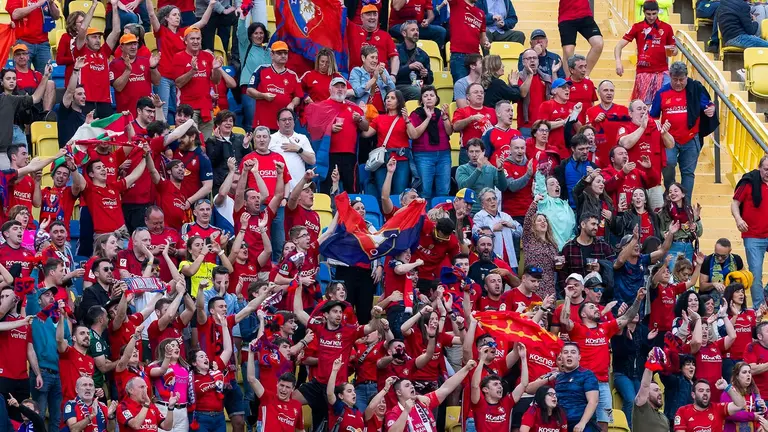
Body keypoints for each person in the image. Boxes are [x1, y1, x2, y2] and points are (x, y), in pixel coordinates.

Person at [560, 287, 645, 431]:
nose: (596, 309)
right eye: (591, 307)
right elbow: (564, 319)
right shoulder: (578, 329)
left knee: (604, 424)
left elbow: (626, 318)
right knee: (580, 422)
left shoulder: (605, 328)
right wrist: (567, 297)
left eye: (596, 307)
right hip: (583, 383)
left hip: (603, 384)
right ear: (583, 314)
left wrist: (638, 299)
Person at [649, 61, 717, 195]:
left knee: (688, 173)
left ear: (687, 77)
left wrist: (711, 109)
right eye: (675, 80)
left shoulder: (695, 89)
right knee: (669, 163)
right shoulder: (662, 93)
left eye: (681, 79)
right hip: (669, 139)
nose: (679, 83)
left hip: (691, 138)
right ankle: (670, 194)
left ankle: (685, 205)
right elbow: (653, 116)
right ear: (670, 77)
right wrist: (657, 125)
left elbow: (708, 104)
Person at [147, 0, 215, 120]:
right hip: (165, 77)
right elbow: (152, 14)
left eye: (178, 15)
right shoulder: (162, 31)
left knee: (180, 110)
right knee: (163, 108)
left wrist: (211, 5)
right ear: (166, 18)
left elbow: (203, 22)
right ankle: (161, 134)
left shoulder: (184, 33)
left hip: (181, 77)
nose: (177, 17)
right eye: (174, 15)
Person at [385, 360, 477, 432]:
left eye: (411, 384)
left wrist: (466, 369)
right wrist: (406, 411)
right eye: (407, 386)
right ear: (399, 392)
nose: (412, 386)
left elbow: (446, 388)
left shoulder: (423, 401)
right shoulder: (393, 413)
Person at [615, 1, 677, 104]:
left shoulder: (667, 28)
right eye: (648, 14)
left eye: (654, 14)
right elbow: (618, 46)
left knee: (667, 102)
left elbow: (674, 50)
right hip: (644, 74)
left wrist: (674, 51)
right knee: (646, 105)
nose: (651, 17)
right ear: (644, 12)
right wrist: (618, 62)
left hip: (663, 72)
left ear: (658, 12)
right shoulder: (637, 27)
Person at [314, 78, 368, 194]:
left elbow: (366, 127)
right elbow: (313, 130)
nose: (340, 89)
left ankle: (352, 211)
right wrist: (330, 129)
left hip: (350, 155)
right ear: (330, 89)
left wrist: (359, 120)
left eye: (342, 87)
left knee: (352, 190)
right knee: (327, 190)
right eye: (336, 86)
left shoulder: (354, 107)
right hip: (328, 156)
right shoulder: (321, 107)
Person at [618, 99, 673, 210]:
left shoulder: (655, 126)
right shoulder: (625, 128)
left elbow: (671, 145)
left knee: (658, 219)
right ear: (630, 113)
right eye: (639, 109)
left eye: (644, 109)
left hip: (654, 184)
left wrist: (664, 133)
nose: (643, 111)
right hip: (633, 185)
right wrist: (642, 127)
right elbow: (625, 144)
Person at [81, 145, 148, 235]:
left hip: (122, 234)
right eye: (99, 168)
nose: (103, 170)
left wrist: (144, 157)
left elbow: (134, 175)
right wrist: (73, 168)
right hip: (104, 236)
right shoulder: (89, 190)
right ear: (91, 174)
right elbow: (77, 179)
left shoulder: (115, 186)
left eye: (104, 167)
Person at [73, 0, 120, 119]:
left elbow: (116, 31)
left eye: (99, 37)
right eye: (94, 37)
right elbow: (83, 29)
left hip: (104, 101)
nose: (98, 40)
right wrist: (93, 5)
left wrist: (114, 6)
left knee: (106, 135)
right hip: (86, 100)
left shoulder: (104, 52)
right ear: (86, 40)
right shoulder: (81, 51)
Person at [732, 156, 768, 308]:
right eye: (766, 169)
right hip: (753, 235)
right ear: (759, 168)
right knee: (756, 275)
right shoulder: (748, 182)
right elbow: (735, 203)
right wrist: (739, 220)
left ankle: (765, 294)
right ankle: (759, 309)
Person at [173, 27, 223, 138]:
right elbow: (178, 83)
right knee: (190, 142)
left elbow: (216, 80)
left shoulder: (208, 56)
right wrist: (192, 71)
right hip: (187, 108)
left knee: (207, 142)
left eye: (198, 38)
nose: (196, 41)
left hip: (206, 107)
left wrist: (216, 69)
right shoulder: (179, 57)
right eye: (192, 39)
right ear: (185, 41)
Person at [363, 91, 415, 195]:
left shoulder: (405, 119)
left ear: (399, 102)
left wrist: (407, 121)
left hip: (401, 160)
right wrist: (363, 116)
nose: (389, 100)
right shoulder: (379, 118)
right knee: (383, 193)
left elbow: (413, 135)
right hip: (383, 160)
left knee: (399, 193)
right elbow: (366, 134)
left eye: (392, 98)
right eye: (387, 98)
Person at [471, 345, 529, 432]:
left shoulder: (507, 402)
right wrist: (482, 360)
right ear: (485, 390)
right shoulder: (479, 403)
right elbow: (475, 385)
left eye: (500, 384)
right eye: (495, 384)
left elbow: (524, 384)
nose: (500, 386)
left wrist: (524, 359)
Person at [247, 41, 301, 134]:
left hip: (284, 126)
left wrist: (292, 104)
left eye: (285, 53)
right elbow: (249, 90)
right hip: (263, 124)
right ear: (272, 55)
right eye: (279, 53)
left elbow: (298, 96)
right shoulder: (262, 69)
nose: (283, 55)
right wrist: (263, 95)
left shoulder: (292, 75)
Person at [409, 86, 452, 201]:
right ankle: (425, 217)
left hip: (444, 154)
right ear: (421, 99)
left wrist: (444, 117)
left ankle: (442, 217)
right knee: (425, 191)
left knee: (444, 190)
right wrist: (427, 118)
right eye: (425, 96)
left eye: (432, 95)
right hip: (423, 155)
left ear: (436, 98)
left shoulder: (441, 113)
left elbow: (450, 132)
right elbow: (414, 135)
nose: (429, 98)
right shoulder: (416, 114)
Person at [473, 187, 522, 271]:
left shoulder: (505, 216)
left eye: (494, 198)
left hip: (511, 261)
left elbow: (521, 232)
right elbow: (476, 235)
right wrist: (492, 229)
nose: (492, 201)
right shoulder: (479, 216)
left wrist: (512, 225)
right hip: (492, 261)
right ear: (482, 204)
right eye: (488, 200)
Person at [110, 34, 161, 115]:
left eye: (135, 44)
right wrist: (128, 70)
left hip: (146, 114)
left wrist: (153, 68)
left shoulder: (145, 61)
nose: (133, 47)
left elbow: (157, 82)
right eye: (129, 44)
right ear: (121, 47)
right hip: (127, 114)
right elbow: (118, 87)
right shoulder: (115, 64)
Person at [6, 0, 60, 73]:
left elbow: (56, 16)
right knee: (21, 76)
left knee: (46, 76)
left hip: (43, 43)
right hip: (23, 42)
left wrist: (51, 3)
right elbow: (15, 14)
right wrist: (37, 5)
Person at [673, 378, 746, 431]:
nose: (705, 393)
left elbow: (741, 405)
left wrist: (727, 387)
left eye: (707, 391)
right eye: (701, 391)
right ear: (693, 395)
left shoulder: (718, 408)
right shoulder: (683, 411)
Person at [270, 110, 316, 194]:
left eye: (290, 119)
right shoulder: (270, 139)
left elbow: (312, 160)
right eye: (284, 120)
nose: (287, 122)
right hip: (276, 189)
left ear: (294, 122)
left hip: (298, 189)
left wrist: (298, 149)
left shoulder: (302, 138)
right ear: (277, 122)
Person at [236, 19, 269, 132]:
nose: (259, 36)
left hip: (264, 89)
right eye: (256, 33)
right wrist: (242, 17)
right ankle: (249, 148)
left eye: (261, 33)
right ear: (250, 35)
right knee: (251, 121)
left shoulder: (268, 51)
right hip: (249, 88)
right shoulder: (246, 46)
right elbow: (240, 32)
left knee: (264, 122)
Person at [659, 182, 703, 266]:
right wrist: (666, 234)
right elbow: (661, 230)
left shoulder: (690, 211)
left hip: (688, 247)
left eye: (676, 191)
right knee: (673, 276)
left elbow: (699, 233)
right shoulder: (664, 212)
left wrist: (695, 224)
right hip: (673, 246)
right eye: (670, 192)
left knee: (687, 277)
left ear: (683, 194)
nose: (673, 193)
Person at [453, 83, 497, 165]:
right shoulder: (461, 111)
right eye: (476, 92)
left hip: (488, 151)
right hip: (468, 152)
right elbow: (455, 126)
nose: (479, 94)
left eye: (481, 92)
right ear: (468, 96)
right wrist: (471, 118)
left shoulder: (492, 111)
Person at [557, 0, 603, 76]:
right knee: (568, 52)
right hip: (567, 16)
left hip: (584, 14)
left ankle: (585, 75)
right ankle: (569, 81)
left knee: (598, 44)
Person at [348, 5, 400, 74]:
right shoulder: (353, 30)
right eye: (368, 14)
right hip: (357, 77)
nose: (372, 17)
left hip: (380, 78)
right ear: (361, 17)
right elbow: (339, 14)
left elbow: (395, 57)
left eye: (375, 14)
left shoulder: (385, 35)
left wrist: (393, 75)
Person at [632, 351, 676, 432]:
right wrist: (650, 364)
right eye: (656, 390)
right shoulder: (641, 408)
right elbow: (645, 386)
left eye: (660, 390)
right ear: (647, 395)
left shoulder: (664, 417)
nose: (660, 393)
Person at [447, 0, 489, 81]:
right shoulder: (457, 3)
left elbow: (483, 37)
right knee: (462, 88)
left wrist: (486, 42)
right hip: (459, 55)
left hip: (475, 57)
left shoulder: (481, 13)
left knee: (475, 89)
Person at [11, 43, 55, 119]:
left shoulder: (36, 74)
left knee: (50, 83)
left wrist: (46, 75)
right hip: (20, 106)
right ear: (14, 58)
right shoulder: (11, 74)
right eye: (18, 54)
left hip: (36, 105)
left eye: (24, 54)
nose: (21, 57)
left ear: (28, 57)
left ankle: (46, 115)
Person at [537, 78, 577, 160]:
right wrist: (564, 122)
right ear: (554, 91)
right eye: (563, 87)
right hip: (551, 151)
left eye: (568, 87)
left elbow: (580, 130)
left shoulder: (573, 107)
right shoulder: (546, 105)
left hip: (569, 152)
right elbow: (541, 126)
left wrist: (575, 115)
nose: (567, 89)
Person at [394, 21, 434, 101]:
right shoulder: (395, 51)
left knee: (432, 91)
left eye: (417, 30)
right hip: (399, 86)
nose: (416, 32)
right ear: (404, 33)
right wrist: (409, 67)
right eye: (412, 30)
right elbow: (390, 74)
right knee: (418, 91)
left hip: (418, 84)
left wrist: (425, 75)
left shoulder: (423, 54)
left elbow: (430, 80)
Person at [517, 49, 550, 137]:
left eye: (534, 58)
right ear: (523, 62)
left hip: (543, 125)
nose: (532, 60)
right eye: (528, 58)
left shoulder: (545, 77)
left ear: (538, 61)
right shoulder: (518, 77)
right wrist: (530, 75)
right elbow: (522, 93)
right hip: (526, 126)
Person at [572, 169, 615, 237]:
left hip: (605, 242)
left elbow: (614, 228)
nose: (602, 185)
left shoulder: (608, 202)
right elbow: (575, 191)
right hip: (588, 239)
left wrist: (611, 218)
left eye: (602, 182)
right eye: (598, 182)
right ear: (590, 184)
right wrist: (590, 177)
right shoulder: (584, 198)